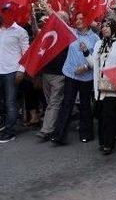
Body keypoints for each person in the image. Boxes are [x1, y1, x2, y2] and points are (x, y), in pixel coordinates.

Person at [0, 5, 29, 143]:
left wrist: (21, 70)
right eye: (1, 13)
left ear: (12, 14)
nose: (2, 16)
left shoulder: (21, 32)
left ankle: (10, 132)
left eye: (5, 13)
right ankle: (5, 116)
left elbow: (26, 53)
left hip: (12, 71)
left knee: (10, 101)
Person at [80, 19, 116, 155]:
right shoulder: (99, 43)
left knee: (109, 114)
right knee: (101, 114)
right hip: (100, 85)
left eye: (108, 26)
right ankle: (103, 141)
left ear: (113, 28)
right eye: (103, 26)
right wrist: (86, 53)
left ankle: (109, 143)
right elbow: (94, 64)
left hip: (112, 83)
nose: (105, 29)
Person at [51, 13, 99, 145]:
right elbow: (58, 22)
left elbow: (96, 59)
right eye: (76, 19)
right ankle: (59, 135)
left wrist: (86, 67)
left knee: (85, 105)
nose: (78, 21)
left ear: (87, 21)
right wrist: (48, 9)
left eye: (81, 18)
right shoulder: (71, 32)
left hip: (86, 76)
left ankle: (86, 134)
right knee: (67, 103)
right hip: (70, 74)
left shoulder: (95, 38)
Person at [37, 12, 69, 142]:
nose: (56, 20)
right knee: (50, 101)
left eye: (60, 18)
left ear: (66, 20)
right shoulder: (49, 32)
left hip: (60, 74)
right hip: (47, 73)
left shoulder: (69, 34)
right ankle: (58, 123)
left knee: (54, 102)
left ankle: (46, 130)